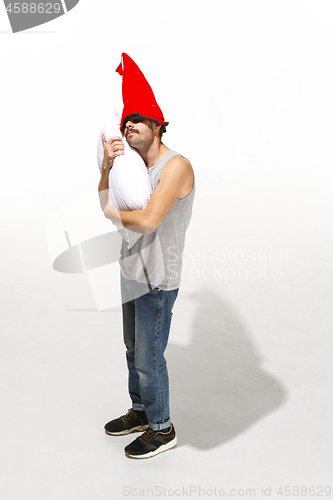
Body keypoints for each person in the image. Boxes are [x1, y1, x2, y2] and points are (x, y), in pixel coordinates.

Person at [98, 53, 195, 459]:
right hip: (131, 271)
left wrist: (111, 212)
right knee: (131, 349)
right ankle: (140, 411)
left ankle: (162, 427)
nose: (129, 126)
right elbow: (106, 196)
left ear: (158, 124)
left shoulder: (175, 167)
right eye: (125, 122)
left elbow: (150, 220)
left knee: (149, 356)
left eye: (138, 119)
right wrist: (106, 168)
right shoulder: (132, 167)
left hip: (157, 277)